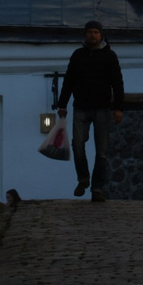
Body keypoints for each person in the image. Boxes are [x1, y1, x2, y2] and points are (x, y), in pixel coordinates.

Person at [57, 19, 125, 200]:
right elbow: (68, 81)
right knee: (77, 145)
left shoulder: (109, 56)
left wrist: (118, 108)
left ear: (101, 35)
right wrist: (61, 105)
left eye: (96, 32)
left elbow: (117, 83)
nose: (93, 35)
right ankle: (83, 178)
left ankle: (97, 188)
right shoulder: (78, 55)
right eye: (90, 32)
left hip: (102, 108)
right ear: (85, 35)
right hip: (81, 107)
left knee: (102, 151)